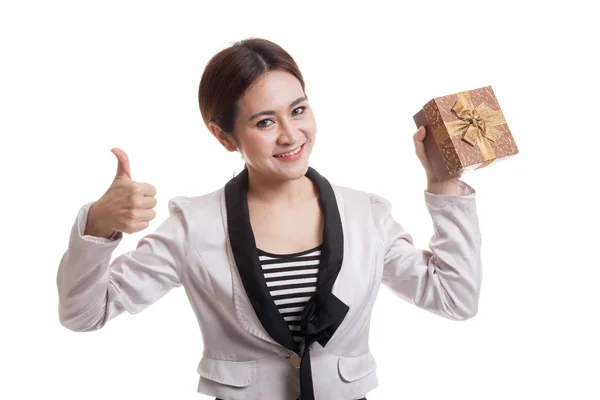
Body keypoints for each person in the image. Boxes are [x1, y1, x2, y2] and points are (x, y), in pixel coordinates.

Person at [56, 37, 482, 400]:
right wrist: (97, 224)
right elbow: (85, 314)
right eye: (264, 121)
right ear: (224, 136)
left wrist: (443, 185)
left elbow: (454, 299)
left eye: (298, 110)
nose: (290, 135)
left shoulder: (365, 214)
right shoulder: (194, 225)